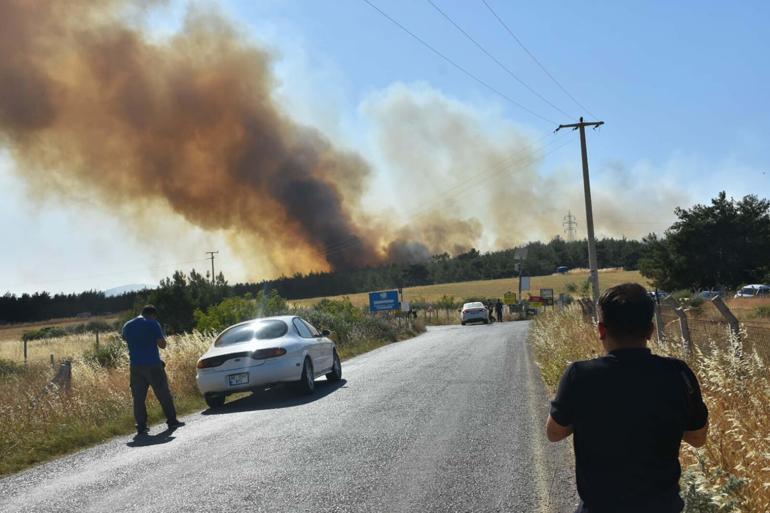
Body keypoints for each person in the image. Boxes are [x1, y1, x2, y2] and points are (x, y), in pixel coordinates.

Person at [546, 283, 708, 513]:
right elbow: (698, 438)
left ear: (602, 330)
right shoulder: (678, 373)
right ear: (650, 330)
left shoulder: (580, 375)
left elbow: (554, 433)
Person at [122, 305, 184, 435]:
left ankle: (141, 426)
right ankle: (172, 420)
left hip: (135, 366)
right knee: (163, 393)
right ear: (153, 315)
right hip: (153, 364)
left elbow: (125, 338)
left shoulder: (127, 325)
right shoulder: (153, 323)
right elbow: (162, 345)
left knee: (138, 397)